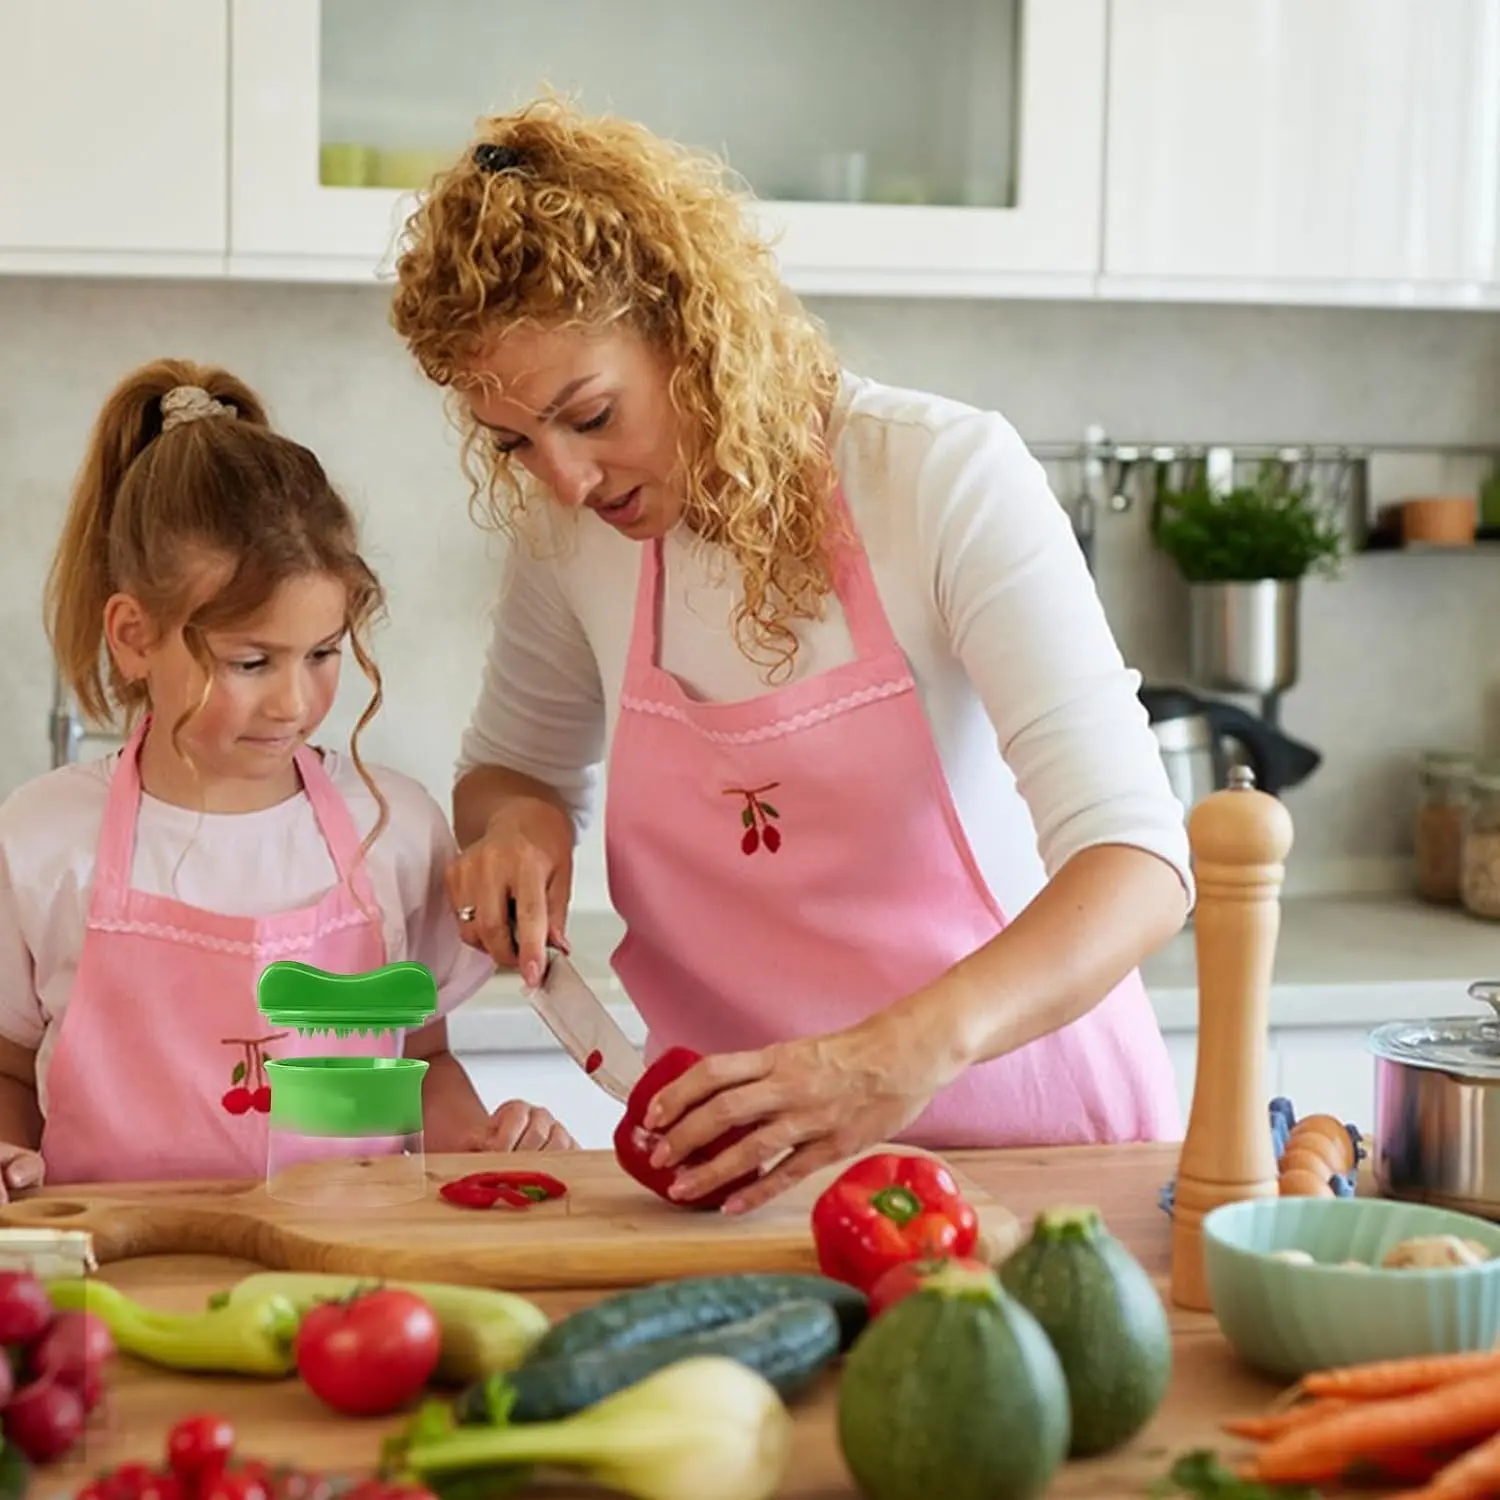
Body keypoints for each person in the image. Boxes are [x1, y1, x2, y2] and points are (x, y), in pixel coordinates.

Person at [389, 100, 1194, 1216]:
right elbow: (513, 771)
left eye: (591, 415)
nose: (566, 479)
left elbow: (1137, 866)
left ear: (692, 324)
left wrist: (891, 1056)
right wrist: (515, 832)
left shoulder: (942, 478)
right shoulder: (571, 538)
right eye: (515, 445)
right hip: (748, 1181)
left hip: (1035, 1167)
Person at [0, 359, 577, 1199]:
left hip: (354, 1288)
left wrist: (486, 1141)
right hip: (118, 1280)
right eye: (249, 661)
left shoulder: (397, 831)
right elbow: (11, 1077)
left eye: (323, 654)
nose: (294, 701)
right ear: (132, 636)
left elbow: (425, 1062)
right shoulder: (41, 840)